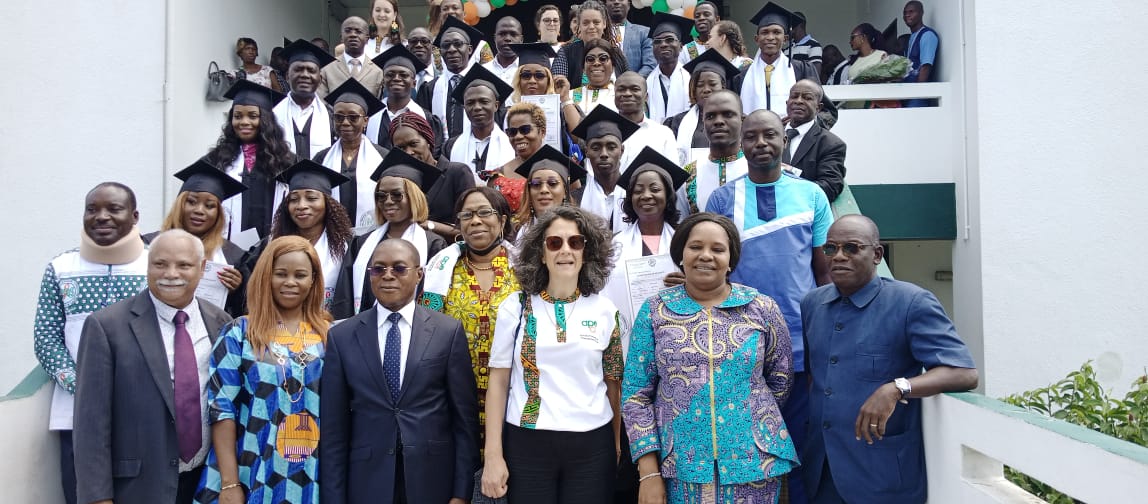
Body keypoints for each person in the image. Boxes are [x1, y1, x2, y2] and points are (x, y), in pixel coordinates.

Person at [622, 212, 798, 503]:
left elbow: (781, 380)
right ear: (681, 255)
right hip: (681, 467)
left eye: (718, 249)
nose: (706, 255)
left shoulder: (761, 308)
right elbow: (635, 396)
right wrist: (649, 473)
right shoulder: (655, 310)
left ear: (731, 260)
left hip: (754, 463)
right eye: (695, 247)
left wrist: (742, 419)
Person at [801, 215, 978, 503]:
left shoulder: (911, 302)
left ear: (877, 254)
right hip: (821, 472)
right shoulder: (812, 304)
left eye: (852, 248)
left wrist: (897, 388)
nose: (839, 256)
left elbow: (963, 372)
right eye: (831, 248)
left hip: (882, 474)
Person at [705, 109, 834, 504]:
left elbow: (824, 273)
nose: (761, 143)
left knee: (799, 447)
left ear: (784, 140)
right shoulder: (722, 198)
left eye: (770, 135)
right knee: (746, 450)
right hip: (740, 347)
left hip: (800, 346)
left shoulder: (811, 195)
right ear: (741, 143)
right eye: (752, 136)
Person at [74, 230, 233, 504]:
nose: (171, 274)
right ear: (148, 264)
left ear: (202, 268)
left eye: (183, 265)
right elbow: (91, 423)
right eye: (160, 264)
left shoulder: (220, 323)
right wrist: (97, 498)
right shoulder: (107, 326)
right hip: (138, 487)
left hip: (206, 483)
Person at [480, 206, 624, 503]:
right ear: (541, 254)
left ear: (587, 252)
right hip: (527, 443)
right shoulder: (515, 307)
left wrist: (616, 444)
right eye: (555, 242)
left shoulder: (605, 310)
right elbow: (498, 383)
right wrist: (492, 455)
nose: (565, 250)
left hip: (592, 445)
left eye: (576, 242)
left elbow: (613, 383)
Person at [322, 237, 479, 503]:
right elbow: (333, 430)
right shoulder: (342, 336)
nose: (388, 275)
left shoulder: (447, 331)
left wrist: (461, 493)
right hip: (367, 482)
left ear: (419, 274)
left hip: (432, 480)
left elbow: (464, 421)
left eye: (399, 268)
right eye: (378, 269)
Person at [33, 183, 148, 504]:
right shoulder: (60, 268)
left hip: (141, 412)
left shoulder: (154, 266)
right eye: (92, 209)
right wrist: (83, 386)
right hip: (76, 414)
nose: (102, 217)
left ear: (134, 216)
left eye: (114, 209)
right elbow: (46, 337)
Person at [194, 236, 331, 503]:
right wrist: (230, 483)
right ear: (266, 276)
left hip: (313, 472)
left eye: (300, 275)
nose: (290, 282)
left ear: (313, 280)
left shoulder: (330, 336)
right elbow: (222, 410)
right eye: (280, 274)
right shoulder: (239, 333)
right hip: (251, 466)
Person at [420, 187, 520, 449]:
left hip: (513, 396)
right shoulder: (442, 270)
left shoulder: (524, 270)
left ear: (502, 220)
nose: (475, 221)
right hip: (455, 398)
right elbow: (426, 333)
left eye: (485, 212)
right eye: (467, 215)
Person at [330, 148, 448, 319]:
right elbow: (345, 296)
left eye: (397, 195)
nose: (388, 201)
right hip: (366, 328)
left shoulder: (433, 244)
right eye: (381, 196)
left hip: (415, 329)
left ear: (414, 197)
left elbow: (435, 293)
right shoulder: (361, 243)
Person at [243, 160, 355, 313]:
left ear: (327, 204)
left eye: (311, 198)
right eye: (294, 199)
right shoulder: (270, 244)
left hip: (332, 325)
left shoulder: (346, 246)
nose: (301, 206)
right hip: (279, 324)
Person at [600, 147, 688, 337]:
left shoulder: (686, 242)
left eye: (655, 189)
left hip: (677, 334)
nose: (646, 195)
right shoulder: (614, 246)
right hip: (628, 334)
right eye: (638, 191)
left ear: (668, 196)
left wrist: (690, 286)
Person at [144, 161, 249, 316]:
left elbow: (242, 312)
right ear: (180, 205)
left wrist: (237, 290)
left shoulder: (233, 255)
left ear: (218, 214)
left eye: (209, 206)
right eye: (191, 202)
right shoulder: (149, 244)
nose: (199, 210)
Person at [209, 80, 296, 241]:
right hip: (229, 247)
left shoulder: (286, 160)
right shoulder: (216, 159)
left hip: (274, 244)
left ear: (266, 120)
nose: (244, 122)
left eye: (252, 116)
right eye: (237, 116)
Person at [313, 79, 390, 230]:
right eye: (339, 117)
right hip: (331, 232)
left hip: (371, 232)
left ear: (365, 121)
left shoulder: (382, 156)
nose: (345, 123)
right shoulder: (321, 158)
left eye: (353, 117)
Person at [387, 111, 477, 238]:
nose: (409, 152)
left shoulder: (457, 173)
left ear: (428, 141)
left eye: (413, 144)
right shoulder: (397, 181)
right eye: (401, 148)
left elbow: (471, 226)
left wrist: (428, 225)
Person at [739, 2, 818, 116]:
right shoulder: (741, 75)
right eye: (765, 32)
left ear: (785, 39)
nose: (770, 37)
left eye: (776, 32)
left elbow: (825, 110)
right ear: (757, 39)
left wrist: (800, 123)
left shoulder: (802, 70)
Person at [676, 89, 746, 216]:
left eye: (728, 114)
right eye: (710, 116)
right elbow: (680, 224)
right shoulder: (687, 175)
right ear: (703, 122)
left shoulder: (757, 169)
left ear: (742, 120)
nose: (718, 121)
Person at [664, 49, 741, 165]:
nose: (706, 90)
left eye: (712, 84)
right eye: (700, 85)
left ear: (723, 86)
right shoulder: (676, 123)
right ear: (693, 89)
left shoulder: (739, 120)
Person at [367, 44, 446, 154]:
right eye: (390, 75)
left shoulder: (427, 119)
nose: (396, 78)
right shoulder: (370, 117)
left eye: (403, 75)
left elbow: (433, 155)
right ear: (383, 81)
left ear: (414, 83)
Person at [443, 65, 516, 183]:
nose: (477, 107)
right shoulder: (451, 146)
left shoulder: (512, 144)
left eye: (484, 101)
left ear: (496, 105)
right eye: (470, 103)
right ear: (464, 107)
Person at [571, 105, 639, 231]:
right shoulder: (575, 200)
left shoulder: (636, 195)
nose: (604, 154)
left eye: (611, 147)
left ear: (621, 151)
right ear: (586, 152)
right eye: (596, 148)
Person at [416, 16, 485, 139]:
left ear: (470, 49)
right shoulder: (429, 89)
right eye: (446, 45)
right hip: (441, 150)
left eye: (458, 44)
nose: (451, 49)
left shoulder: (485, 86)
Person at [783, 79, 847, 202]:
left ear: (819, 107)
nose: (798, 101)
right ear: (787, 103)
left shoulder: (831, 144)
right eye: (794, 96)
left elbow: (830, 186)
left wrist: (788, 185)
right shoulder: (769, 135)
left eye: (807, 98)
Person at [275, 39, 338, 160]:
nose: (304, 75)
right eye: (298, 69)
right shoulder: (272, 115)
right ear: (287, 76)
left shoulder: (331, 116)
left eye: (311, 70)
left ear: (320, 80)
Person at [506, 43, 584, 140]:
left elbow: (579, 138)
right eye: (526, 75)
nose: (532, 81)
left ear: (548, 80)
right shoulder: (510, 109)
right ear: (519, 79)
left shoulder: (560, 107)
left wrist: (564, 98)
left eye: (539, 76)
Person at [512, 144, 586, 239]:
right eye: (536, 184)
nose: (544, 190)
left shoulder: (579, 230)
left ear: (565, 191)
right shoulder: (523, 232)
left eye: (552, 183)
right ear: (529, 192)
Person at [486, 102, 546, 213]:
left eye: (525, 129)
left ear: (542, 132)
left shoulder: (562, 168)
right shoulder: (498, 175)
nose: (518, 136)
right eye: (512, 132)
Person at [614, 71, 680, 169]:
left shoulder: (663, 134)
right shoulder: (604, 131)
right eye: (621, 89)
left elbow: (672, 173)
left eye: (635, 89)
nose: (627, 94)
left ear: (646, 97)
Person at [552, 1, 624, 90]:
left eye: (596, 22)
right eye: (586, 23)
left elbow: (628, 82)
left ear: (604, 24)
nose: (591, 27)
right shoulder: (566, 53)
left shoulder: (616, 53)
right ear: (579, 25)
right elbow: (557, 87)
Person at [318, 17, 385, 98]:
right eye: (348, 31)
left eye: (358, 31)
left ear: (367, 39)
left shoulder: (377, 72)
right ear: (341, 37)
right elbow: (321, 101)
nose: (353, 35)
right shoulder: (327, 69)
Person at [646, 12, 692, 124]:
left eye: (669, 40)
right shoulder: (647, 82)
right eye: (657, 41)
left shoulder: (692, 78)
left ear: (681, 46)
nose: (663, 44)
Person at [429, 0, 495, 71]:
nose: (450, 11)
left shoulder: (481, 44)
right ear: (440, 15)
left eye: (455, 8)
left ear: (464, 14)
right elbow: (434, 72)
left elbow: (490, 72)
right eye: (445, 9)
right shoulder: (433, 45)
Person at [570, 37, 626, 115]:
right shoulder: (570, 96)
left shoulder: (624, 96)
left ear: (613, 66)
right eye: (590, 59)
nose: (596, 63)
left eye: (603, 58)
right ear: (583, 68)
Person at [902, 0, 939, 107]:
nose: (907, 15)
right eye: (905, 13)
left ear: (921, 13)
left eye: (911, 12)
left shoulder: (927, 35)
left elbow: (926, 67)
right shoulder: (911, 37)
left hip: (918, 97)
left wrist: (917, 92)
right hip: (909, 94)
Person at [605, 0, 654, 77]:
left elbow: (650, 65)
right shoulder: (598, 33)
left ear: (629, 5)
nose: (616, 2)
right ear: (605, 5)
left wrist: (631, 82)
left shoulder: (644, 33)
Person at [484, 17, 524, 85]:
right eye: (502, 34)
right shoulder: (484, 70)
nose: (508, 38)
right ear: (495, 38)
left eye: (513, 34)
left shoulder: (528, 71)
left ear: (521, 40)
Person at [788, 11, 823, 75]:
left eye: (789, 26)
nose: (787, 30)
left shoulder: (813, 46)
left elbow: (815, 74)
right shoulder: (787, 49)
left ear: (800, 25)